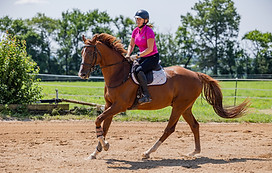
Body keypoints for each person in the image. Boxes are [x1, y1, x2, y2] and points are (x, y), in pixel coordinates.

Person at [125, 9, 160, 105]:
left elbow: (149, 49)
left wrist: (136, 56)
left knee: (138, 70)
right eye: (136, 19)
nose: (137, 21)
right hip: (143, 57)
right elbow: (131, 45)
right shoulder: (135, 31)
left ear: (146, 20)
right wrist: (128, 54)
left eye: (139, 19)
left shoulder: (149, 31)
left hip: (152, 57)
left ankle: (146, 95)